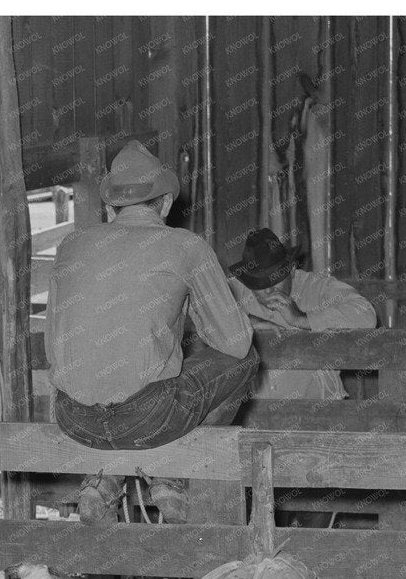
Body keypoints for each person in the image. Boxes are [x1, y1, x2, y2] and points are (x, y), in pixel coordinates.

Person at [48, 140, 259, 524]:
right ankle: (171, 471)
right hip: (150, 419)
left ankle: (105, 479)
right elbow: (237, 342)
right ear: (164, 204)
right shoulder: (184, 245)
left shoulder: (71, 244)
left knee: (126, 388)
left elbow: (54, 345)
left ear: (110, 207)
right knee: (246, 360)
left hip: (72, 417)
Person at [227, 227, 377, 401]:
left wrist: (302, 319)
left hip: (321, 412)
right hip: (257, 415)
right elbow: (197, 307)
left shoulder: (317, 288)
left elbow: (366, 315)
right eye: (259, 284)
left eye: (275, 280)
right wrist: (245, 320)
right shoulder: (236, 290)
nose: (268, 290)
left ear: (291, 270)